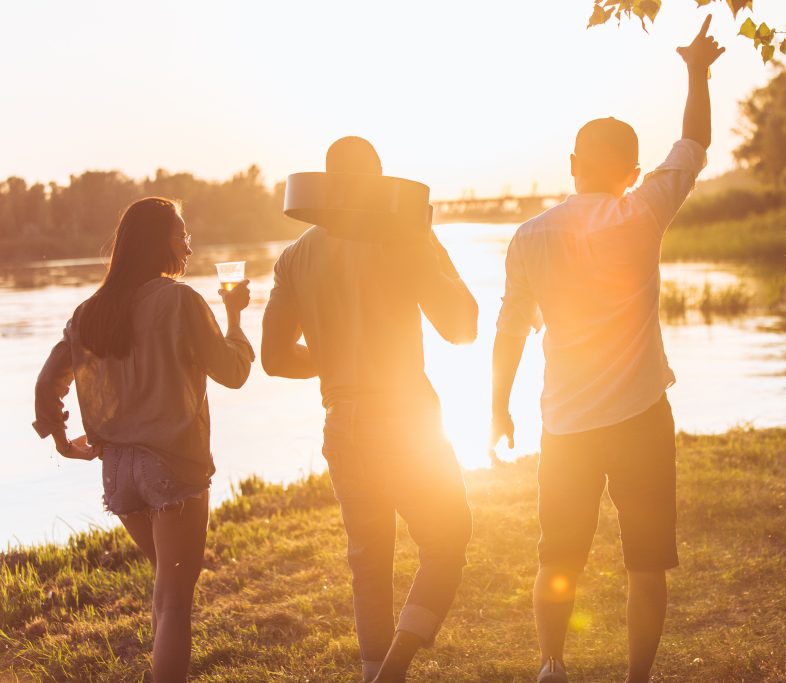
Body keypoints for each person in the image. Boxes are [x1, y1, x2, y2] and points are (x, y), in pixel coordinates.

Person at [490, 17, 723, 683]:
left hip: (565, 424)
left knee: (557, 555)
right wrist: (698, 71)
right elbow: (695, 142)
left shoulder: (528, 237)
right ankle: (637, 679)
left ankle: (552, 664)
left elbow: (510, 328)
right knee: (645, 562)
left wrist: (498, 409)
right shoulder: (643, 210)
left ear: (571, 166)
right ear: (631, 171)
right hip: (642, 420)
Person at [261, 137, 477, 683]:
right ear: (380, 182)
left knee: (368, 562)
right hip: (404, 417)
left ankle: (373, 675)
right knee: (448, 538)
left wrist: (333, 357)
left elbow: (275, 358)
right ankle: (395, 668)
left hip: (343, 421)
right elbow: (463, 326)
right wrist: (431, 241)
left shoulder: (294, 257)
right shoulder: (405, 238)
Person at [33, 197, 254, 683]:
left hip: (119, 474)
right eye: (181, 235)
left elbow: (49, 379)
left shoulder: (90, 312)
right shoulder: (180, 301)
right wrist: (235, 317)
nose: (189, 247)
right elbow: (233, 372)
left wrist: (61, 438)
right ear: (159, 242)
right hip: (172, 467)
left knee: (165, 592)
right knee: (175, 602)